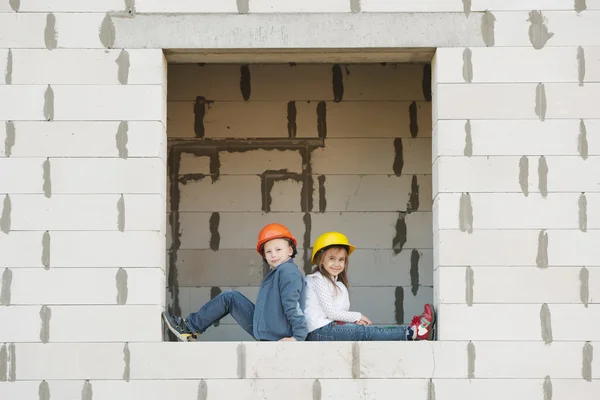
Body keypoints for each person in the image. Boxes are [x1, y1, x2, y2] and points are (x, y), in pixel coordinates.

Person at [162, 223, 307, 342]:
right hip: (267, 328)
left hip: (277, 334)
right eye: (268, 252)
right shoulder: (277, 271)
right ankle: (191, 329)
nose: (273, 254)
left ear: (289, 250)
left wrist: (298, 337)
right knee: (230, 298)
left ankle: (189, 328)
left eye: (278, 249)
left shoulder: (287, 271)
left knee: (230, 297)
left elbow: (292, 304)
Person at [303, 231, 435, 341]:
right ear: (321, 259)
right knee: (364, 333)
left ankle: (414, 331)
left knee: (365, 331)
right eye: (332, 258)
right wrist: (357, 316)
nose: (337, 264)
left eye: (341, 259)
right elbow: (330, 312)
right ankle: (412, 332)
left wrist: (353, 322)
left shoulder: (337, 284)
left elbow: (337, 316)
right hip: (318, 332)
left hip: (327, 330)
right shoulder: (316, 279)